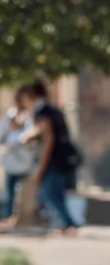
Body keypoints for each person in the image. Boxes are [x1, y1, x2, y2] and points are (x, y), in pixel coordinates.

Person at [23, 80, 83, 235]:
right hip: (62, 158)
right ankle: (65, 224)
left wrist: (41, 168)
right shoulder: (53, 110)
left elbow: (48, 140)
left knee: (51, 193)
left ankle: (68, 224)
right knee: (55, 193)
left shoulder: (43, 113)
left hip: (54, 160)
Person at [0, 88, 35, 221]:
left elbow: (30, 136)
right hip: (11, 162)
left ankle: (23, 217)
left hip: (26, 162)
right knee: (10, 193)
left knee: (24, 193)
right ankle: (9, 216)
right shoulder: (9, 116)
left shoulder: (30, 117)